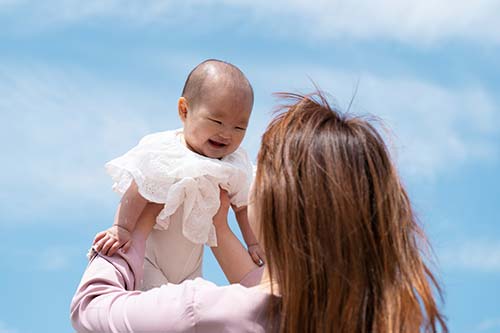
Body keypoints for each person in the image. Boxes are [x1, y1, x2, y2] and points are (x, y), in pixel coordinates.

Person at [71, 90, 448, 333]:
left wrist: (140, 224)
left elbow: (92, 310)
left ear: (281, 201)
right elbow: (260, 282)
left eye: (261, 171)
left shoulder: (206, 311)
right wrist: (218, 226)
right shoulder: (379, 320)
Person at [92, 59, 264, 290]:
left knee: (190, 307)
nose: (226, 133)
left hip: (191, 265)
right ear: (184, 110)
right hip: (150, 258)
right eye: (216, 121)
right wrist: (121, 228)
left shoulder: (233, 164)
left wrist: (252, 242)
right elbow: (139, 187)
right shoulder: (165, 150)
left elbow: (242, 207)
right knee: (159, 309)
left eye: (239, 127)